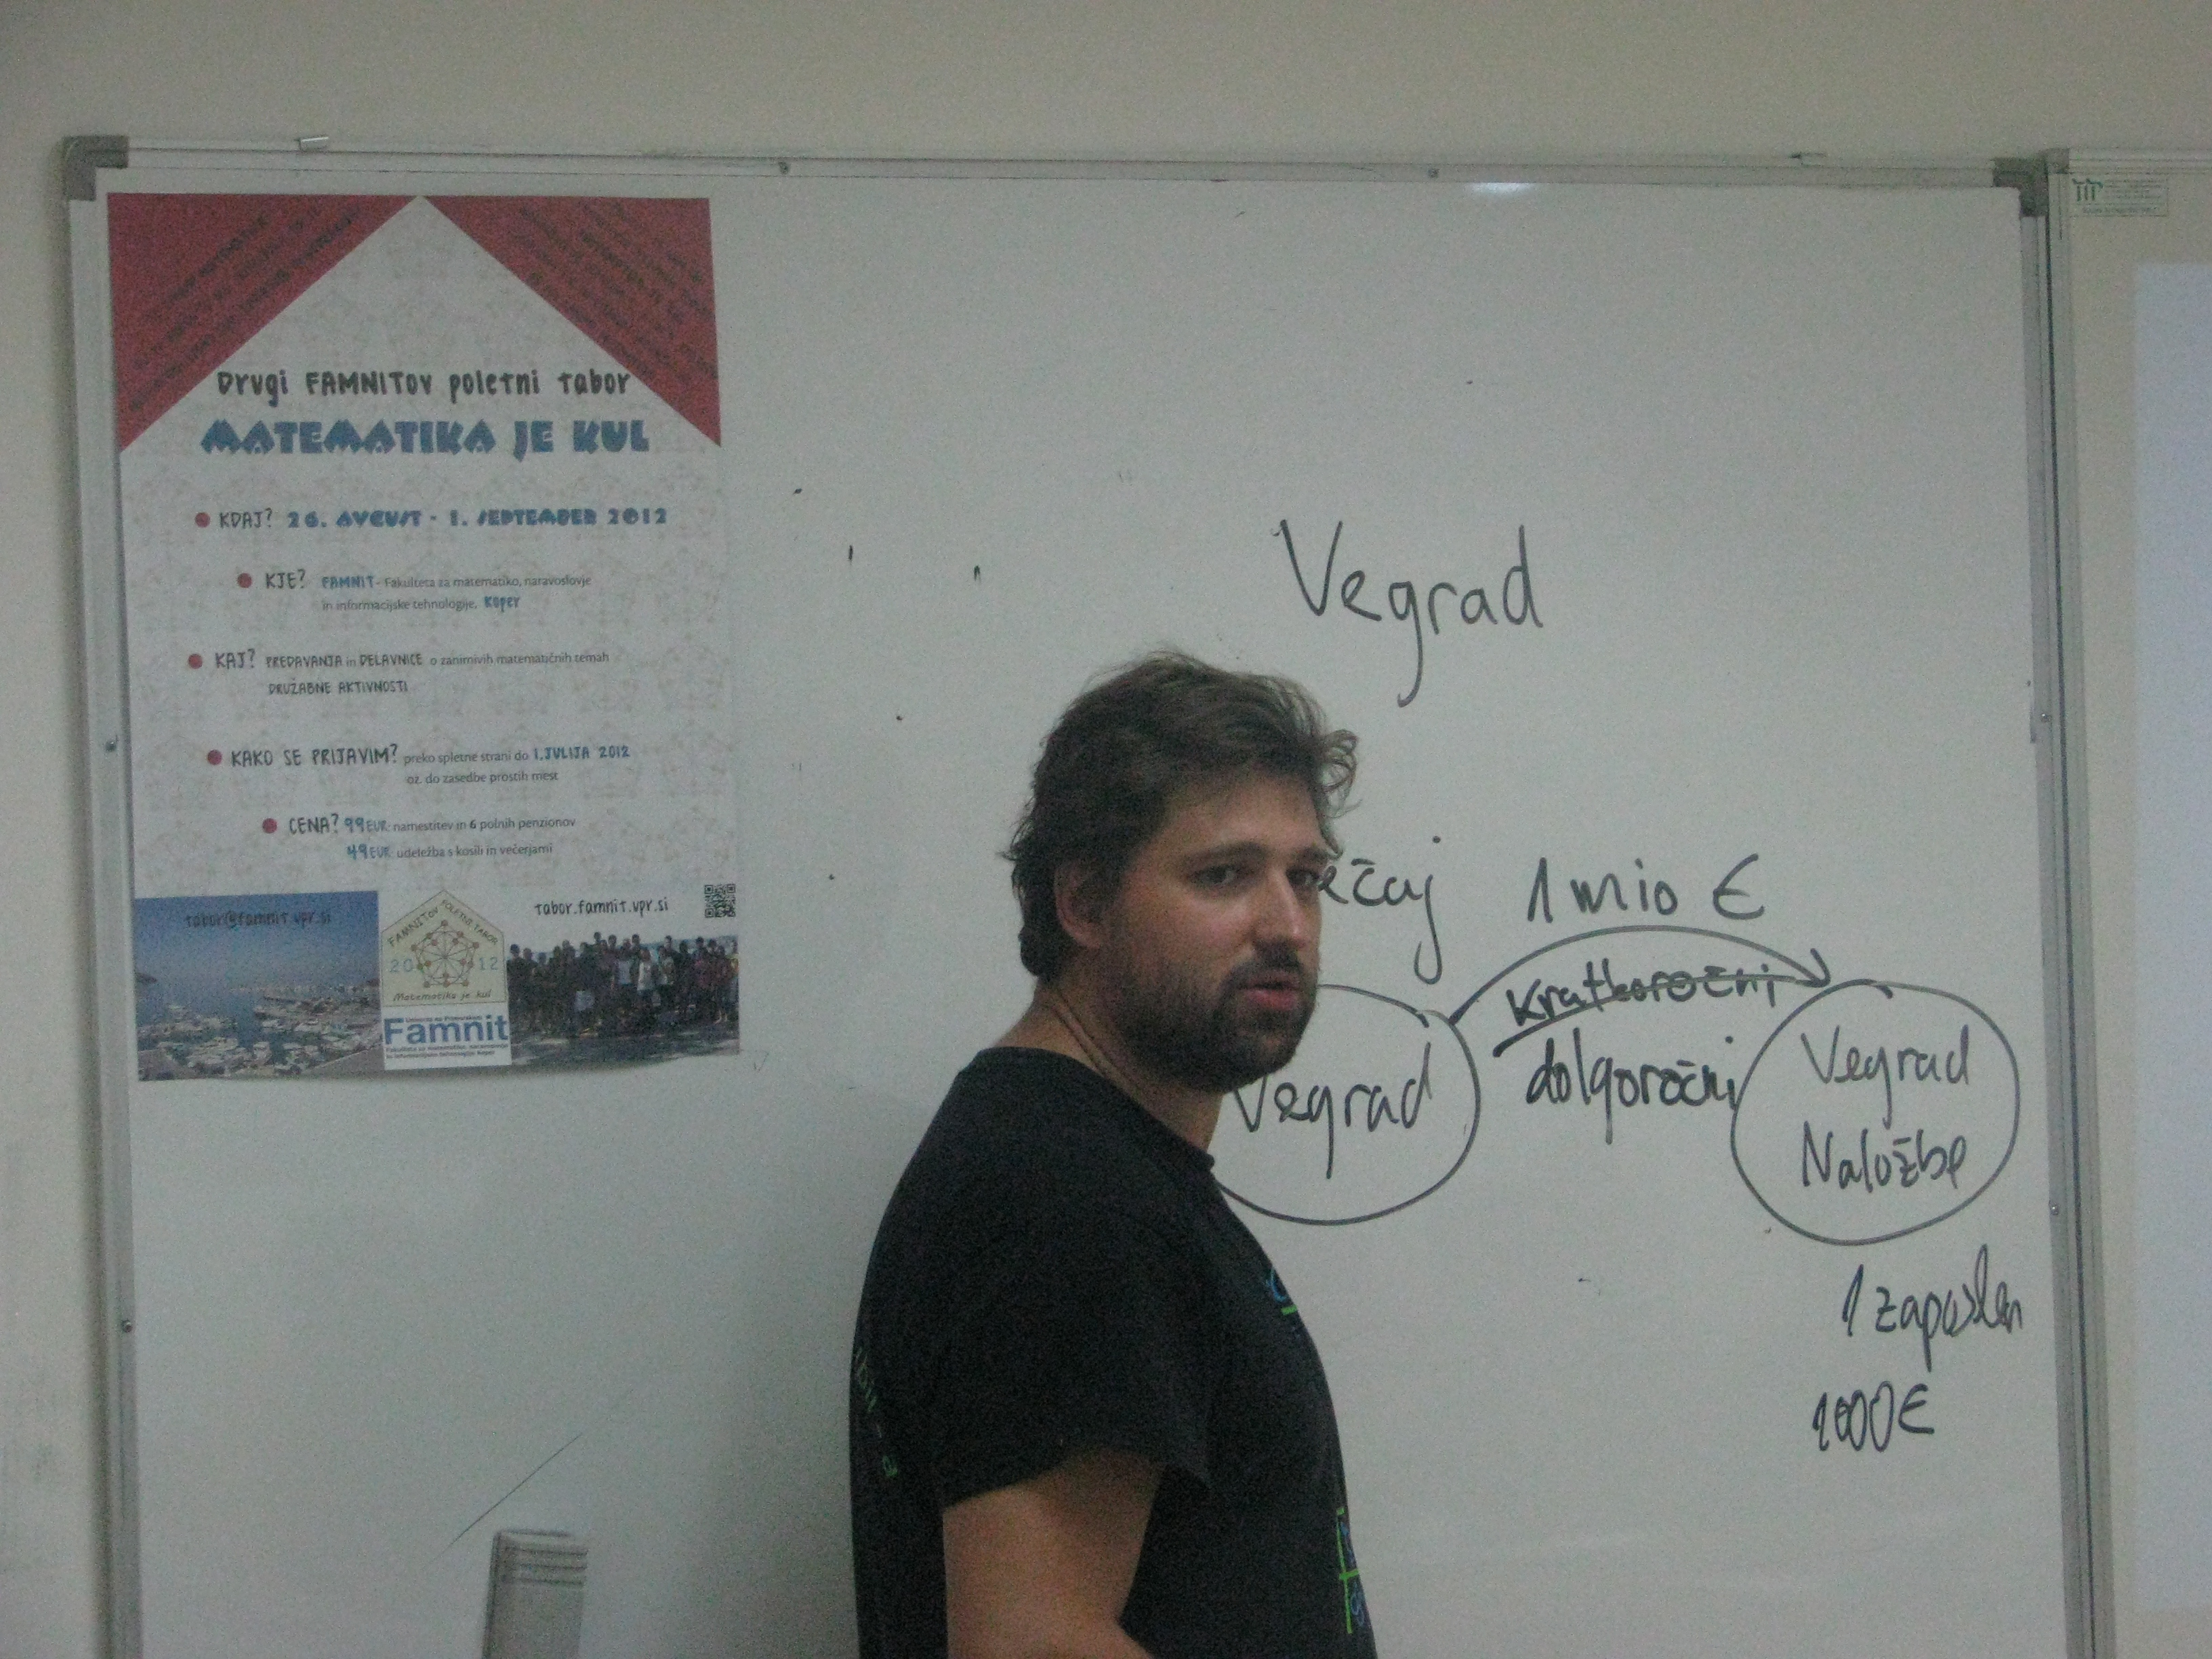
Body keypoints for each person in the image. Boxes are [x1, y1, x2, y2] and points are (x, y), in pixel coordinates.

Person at [849, 652, 1374, 1659]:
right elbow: (1030, 1642)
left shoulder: (1076, 1163)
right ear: (1085, 904)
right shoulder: (1068, 1200)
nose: (1287, 925)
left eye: (1305, 878)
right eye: (1224, 875)